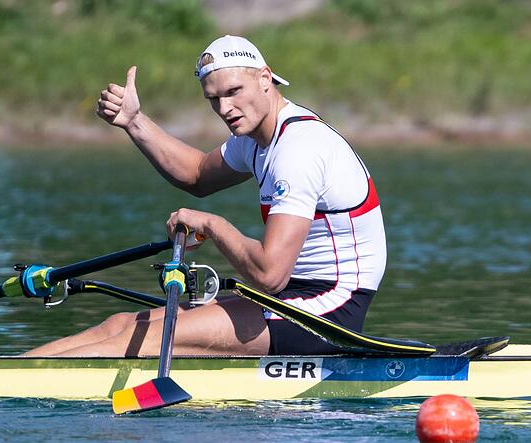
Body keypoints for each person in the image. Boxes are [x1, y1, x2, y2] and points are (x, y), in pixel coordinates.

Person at [22, 35, 386, 357]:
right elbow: (196, 174)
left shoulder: (298, 150)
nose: (224, 109)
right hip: (294, 298)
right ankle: (5, 373)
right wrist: (134, 122)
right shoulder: (256, 139)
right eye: (213, 99)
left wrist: (212, 224)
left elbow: (270, 274)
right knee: (119, 325)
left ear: (264, 78)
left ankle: (12, 386)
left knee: (144, 340)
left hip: (330, 311)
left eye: (232, 92)